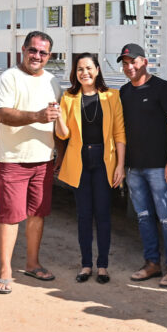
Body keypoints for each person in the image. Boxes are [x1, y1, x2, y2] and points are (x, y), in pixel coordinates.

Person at [0, 31, 62, 295]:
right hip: (14, 159)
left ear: (49, 56)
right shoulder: (8, 78)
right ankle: (5, 271)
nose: (37, 56)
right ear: (23, 49)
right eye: (33, 50)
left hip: (43, 159)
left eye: (43, 52)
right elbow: (2, 114)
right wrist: (37, 116)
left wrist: (60, 152)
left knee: (37, 214)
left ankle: (32, 264)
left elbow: (58, 120)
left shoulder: (53, 82)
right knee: (10, 216)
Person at [117, 43, 167, 288]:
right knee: (144, 218)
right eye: (125, 63)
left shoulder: (163, 89)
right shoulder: (124, 92)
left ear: (145, 62)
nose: (129, 67)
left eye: (133, 62)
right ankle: (152, 263)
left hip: (159, 168)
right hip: (134, 169)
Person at [56, 53, 126, 284]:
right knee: (84, 215)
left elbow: (119, 133)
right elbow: (63, 135)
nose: (84, 73)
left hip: (104, 161)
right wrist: (58, 117)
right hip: (80, 161)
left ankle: (103, 266)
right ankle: (86, 264)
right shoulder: (68, 97)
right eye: (79, 69)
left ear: (97, 70)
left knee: (103, 214)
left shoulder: (112, 96)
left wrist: (120, 165)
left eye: (88, 68)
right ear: (75, 73)